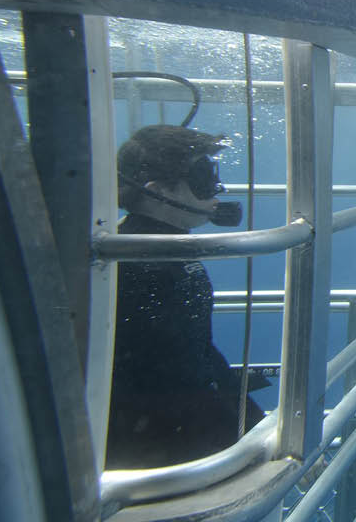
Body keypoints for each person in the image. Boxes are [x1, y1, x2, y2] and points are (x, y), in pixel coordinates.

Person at [105, 124, 265, 469]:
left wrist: (253, 422)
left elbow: (194, 352)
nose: (216, 191)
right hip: (157, 451)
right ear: (157, 191)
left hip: (165, 434)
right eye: (202, 177)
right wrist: (252, 438)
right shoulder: (144, 264)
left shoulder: (161, 249)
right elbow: (171, 377)